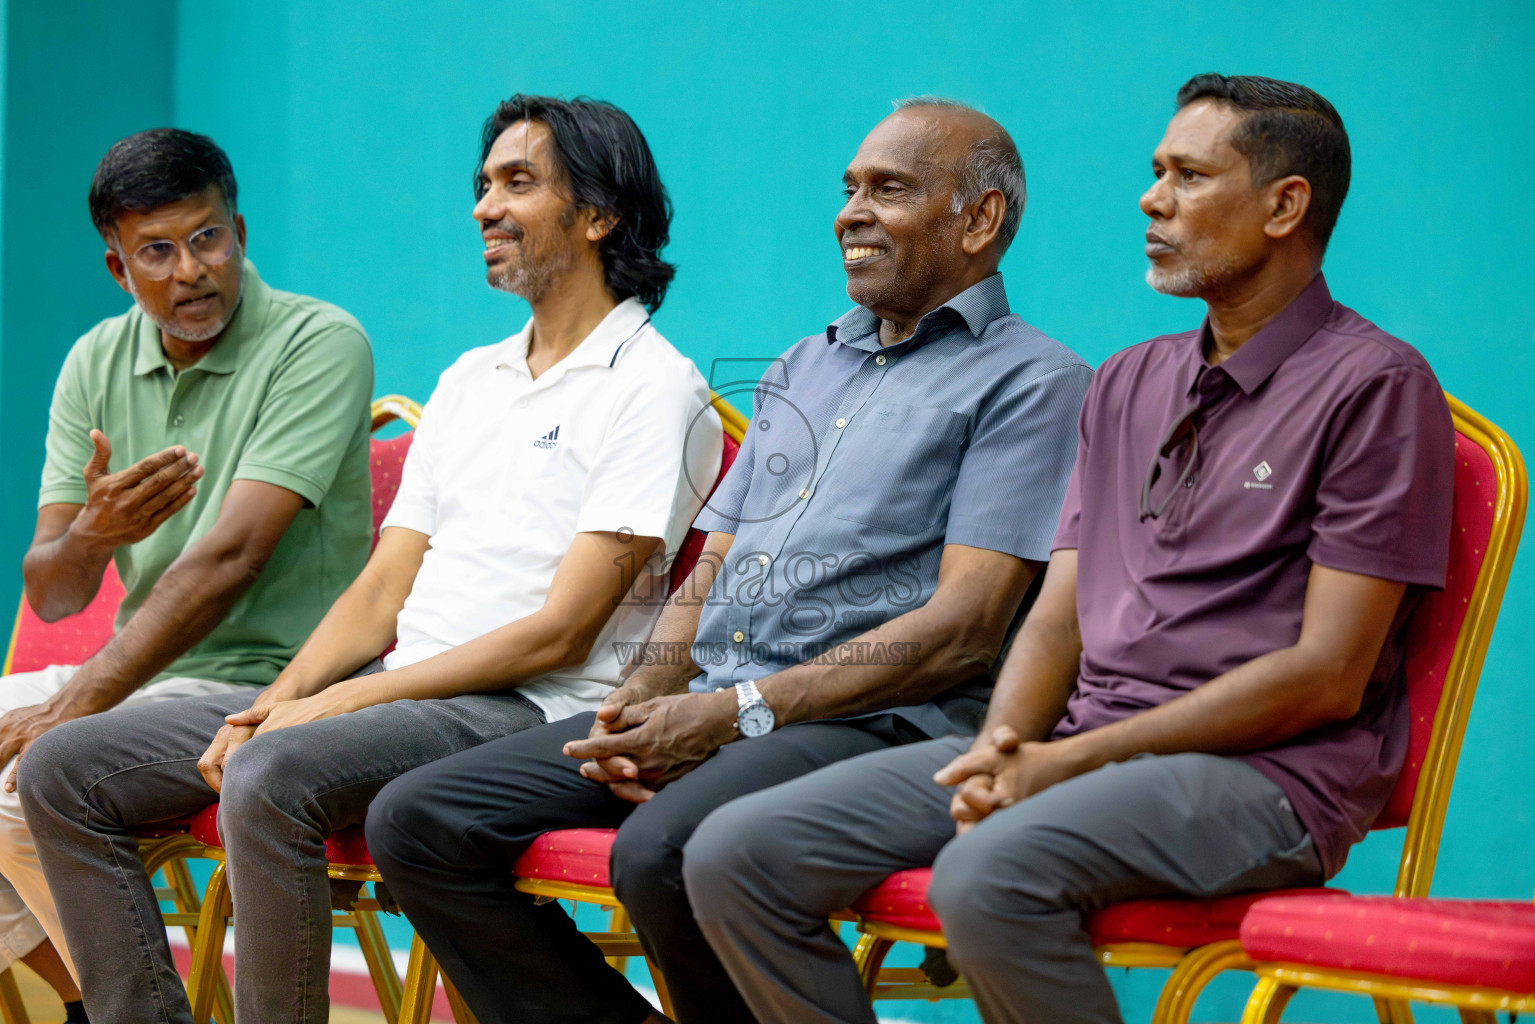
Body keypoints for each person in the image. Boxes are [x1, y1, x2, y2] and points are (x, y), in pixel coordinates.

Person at [681, 74, 1456, 1024]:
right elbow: (1059, 615)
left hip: (1267, 777)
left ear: (1284, 205)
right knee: (733, 855)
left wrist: (1062, 765)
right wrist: (1002, 748)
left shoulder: (1374, 386)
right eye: (1154, 170)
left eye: (1188, 175)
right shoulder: (1130, 380)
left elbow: (1327, 676)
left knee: (988, 875)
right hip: (1074, 750)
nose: (1150, 197)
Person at [365, 97, 1092, 1024]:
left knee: (659, 850)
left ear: (981, 220)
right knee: (417, 820)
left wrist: (729, 715)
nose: (851, 212)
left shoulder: (1033, 381)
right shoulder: (803, 364)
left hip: (874, 720)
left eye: (890, 190)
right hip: (721, 702)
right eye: (849, 189)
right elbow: (712, 560)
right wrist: (644, 697)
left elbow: (964, 628)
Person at [22, 95, 718, 1024]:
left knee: (274, 774)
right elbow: (385, 585)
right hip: (402, 690)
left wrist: (325, 705)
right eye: (483, 185)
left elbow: (561, 629)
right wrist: (283, 698)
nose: (483, 207)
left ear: (597, 215)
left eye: (518, 183)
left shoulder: (655, 387)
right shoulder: (471, 379)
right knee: (60, 769)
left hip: (525, 707)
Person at [0, 128, 373, 1023]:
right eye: (155, 252)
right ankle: (107, 1003)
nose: (189, 271)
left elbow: (228, 561)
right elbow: (53, 592)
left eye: (206, 238)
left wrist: (71, 703)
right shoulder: (95, 359)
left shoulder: (318, 342)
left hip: (280, 684)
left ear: (239, 232)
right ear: (117, 268)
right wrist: (94, 534)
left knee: (23, 787)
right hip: (154, 683)